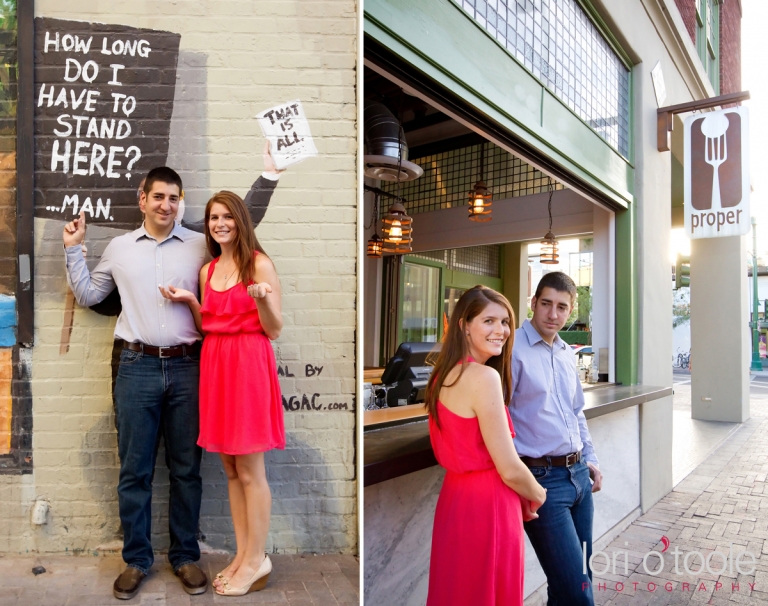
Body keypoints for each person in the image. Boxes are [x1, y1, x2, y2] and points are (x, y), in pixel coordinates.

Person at [62, 150, 281, 601]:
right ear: (142, 199)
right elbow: (88, 295)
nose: (166, 205)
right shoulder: (120, 248)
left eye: (174, 198)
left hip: (190, 367)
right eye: (158, 196)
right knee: (135, 470)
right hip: (136, 365)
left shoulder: (201, 245)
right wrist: (72, 250)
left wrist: (268, 175)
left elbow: (240, 224)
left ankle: (185, 556)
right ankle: (137, 561)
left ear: (181, 203)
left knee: (187, 470)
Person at [159, 190, 284, 596]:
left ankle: (256, 558)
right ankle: (244, 553)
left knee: (251, 470)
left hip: (248, 365)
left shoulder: (259, 265)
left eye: (228, 216)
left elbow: (274, 328)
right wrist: (193, 302)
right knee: (231, 470)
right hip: (216, 365)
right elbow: (211, 324)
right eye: (213, 217)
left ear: (241, 221)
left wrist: (263, 300)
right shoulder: (208, 270)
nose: (219, 224)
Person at [424, 285, 547, 606]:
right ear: (465, 325)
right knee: (488, 592)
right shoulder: (483, 378)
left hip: (456, 502)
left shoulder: (442, 375)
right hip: (489, 505)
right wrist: (538, 493)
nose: (501, 330)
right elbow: (508, 467)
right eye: (489, 321)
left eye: (505, 321)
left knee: (458, 591)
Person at [509, 271, 603, 605]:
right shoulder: (511, 350)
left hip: (579, 477)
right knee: (577, 592)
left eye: (562, 307)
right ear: (533, 303)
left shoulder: (566, 352)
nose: (553, 314)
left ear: (571, 310)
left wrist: (589, 458)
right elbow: (500, 418)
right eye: (546, 304)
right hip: (542, 483)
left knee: (576, 582)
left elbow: (576, 412)